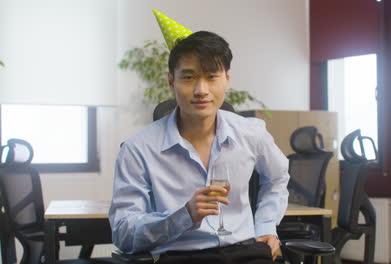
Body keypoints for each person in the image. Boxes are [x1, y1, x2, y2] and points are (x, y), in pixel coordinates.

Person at [109, 10, 290, 264]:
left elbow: (278, 177)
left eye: (211, 76)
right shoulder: (137, 149)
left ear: (227, 80)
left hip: (246, 253)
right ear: (171, 81)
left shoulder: (252, 133)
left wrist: (266, 225)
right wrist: (184, 215)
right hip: (180, 256)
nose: (201, 90)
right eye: (189, 77)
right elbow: (123, 232)